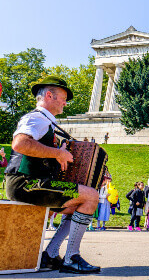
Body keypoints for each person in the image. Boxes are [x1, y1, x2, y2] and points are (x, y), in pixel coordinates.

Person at [4, 76, 100, 273]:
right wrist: (58, 152)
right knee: (91, 196)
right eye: (64, 98)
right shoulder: (35, 118)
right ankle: (71, 258)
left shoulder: (47, 123)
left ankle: (50, 254)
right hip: (24, 183)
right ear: (49, 95)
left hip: (34, 182)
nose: (66, 103)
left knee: (79, 204)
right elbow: (20, 144)